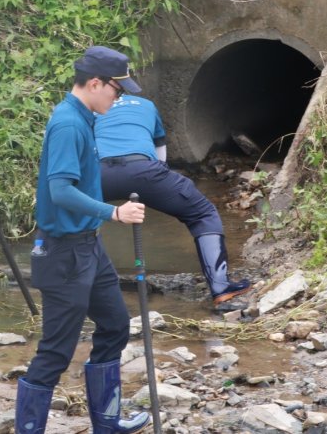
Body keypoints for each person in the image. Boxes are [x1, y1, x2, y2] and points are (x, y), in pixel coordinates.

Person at [16, 46, 150, 434]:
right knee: (56, 351)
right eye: (117, 90)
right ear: (95, 83)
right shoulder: (68, 124)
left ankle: (106, 423)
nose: (119, 98)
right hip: (62, 253)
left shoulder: (84, 116)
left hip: (88, 246)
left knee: (115, 324)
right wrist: (114, 212)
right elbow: (60, 191)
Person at [95, 95, 251, 307]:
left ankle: (75, 284)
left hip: (99, 173)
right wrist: (157, 186)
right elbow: (160, 155)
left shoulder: (90, 106)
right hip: (145, 170)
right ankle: (220, 287)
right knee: (203, 213)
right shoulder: (146, 105)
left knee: (77, 213)